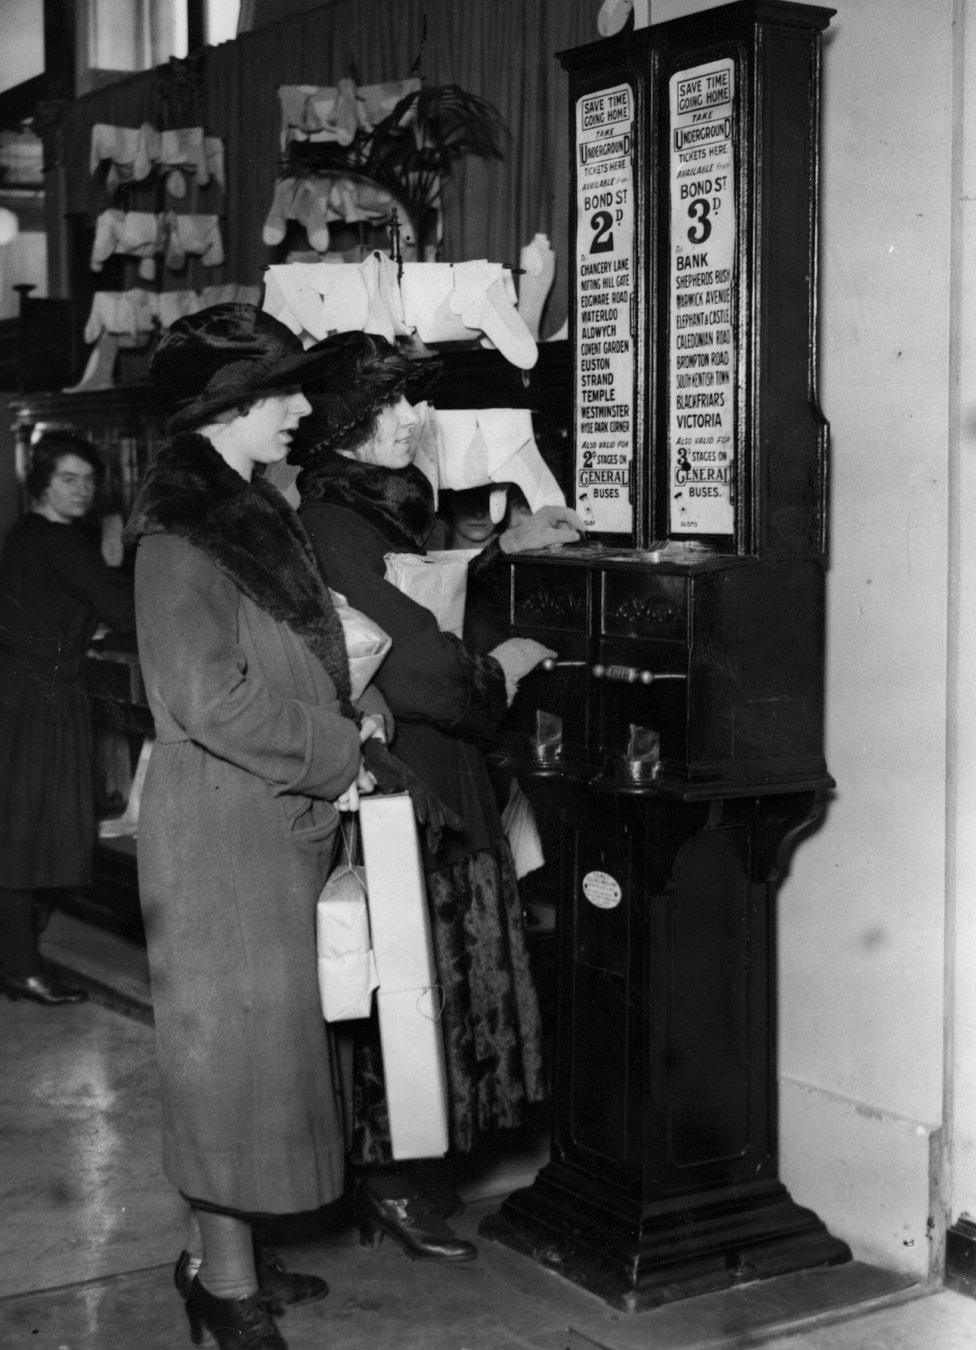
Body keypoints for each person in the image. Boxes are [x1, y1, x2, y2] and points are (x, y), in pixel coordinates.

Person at [122, 304, 393, 1350]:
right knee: (228, 1067)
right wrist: (345, 753)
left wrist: (354, 703)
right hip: (220, 837)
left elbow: (286, 653)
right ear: (226, 407)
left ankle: (226, 1259)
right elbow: (208, 699)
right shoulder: (179, 530)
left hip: (262, 820)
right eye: (281, 391)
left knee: (258, 1062)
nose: (301, 408)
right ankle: (223, 1289)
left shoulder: (242, 505)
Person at [291, 329, 583, 1264]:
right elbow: (423, 667)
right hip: (410, 786)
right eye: (400, 404)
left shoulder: (358, 509)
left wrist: (502, 551)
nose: (419, 420)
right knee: (417, 990)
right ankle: (397, 1185)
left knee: (435, 986)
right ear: (349, 424)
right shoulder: (336, 523)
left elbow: (424, 597)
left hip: (431, 781)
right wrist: (498, 668)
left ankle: (412, 1179)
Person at [0, 433, 135, 1006]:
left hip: (22, 690)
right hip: (41, 699)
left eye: (88, 480)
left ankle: (16, 958)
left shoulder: (28, 533)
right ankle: (20, 966)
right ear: (41, 484)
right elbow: (125, 607)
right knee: (25, 836)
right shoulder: (58, 540)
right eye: (68, 480)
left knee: (18, 830)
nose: (82, 490)